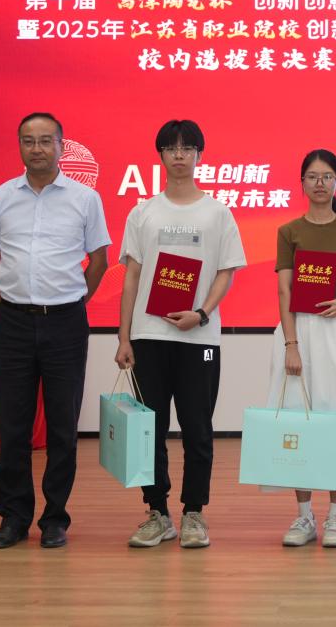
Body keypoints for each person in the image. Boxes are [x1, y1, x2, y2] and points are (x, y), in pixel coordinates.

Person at [0, 112, 111, 550]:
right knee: (13, 427)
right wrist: (7, 297)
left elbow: (100, 260)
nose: (37, 148)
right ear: (19, 146)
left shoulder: (85, 199)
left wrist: (74, 301)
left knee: (63, 428)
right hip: (13, 322)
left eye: (46, 140)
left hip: (66, 324)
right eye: (29, 141)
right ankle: (13, 518)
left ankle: (55, 519)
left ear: (61, 146)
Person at [113, 120, 246, 549]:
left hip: (198, 338)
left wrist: (202, 313)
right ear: (160, 156)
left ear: (200, 155)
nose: (179, 155)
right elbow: (132, 277)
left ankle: (193, 513)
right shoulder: (143, 212)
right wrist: (124, 337)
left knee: (197, 429)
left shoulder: (217, 212)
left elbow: (226, 272)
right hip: (148, 335)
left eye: (188, 148)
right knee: (149, 429)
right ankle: (157, 512)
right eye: (171, 148)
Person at [269, 149, 336, 548]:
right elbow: (284, 290)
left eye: (327, 176)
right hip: (299, 331)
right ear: (302, 183)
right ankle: (304, 516)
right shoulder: (289, 231)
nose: (319, 183)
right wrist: (291, 344)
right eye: (312, 176)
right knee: (298, 419)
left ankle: (335, 516)